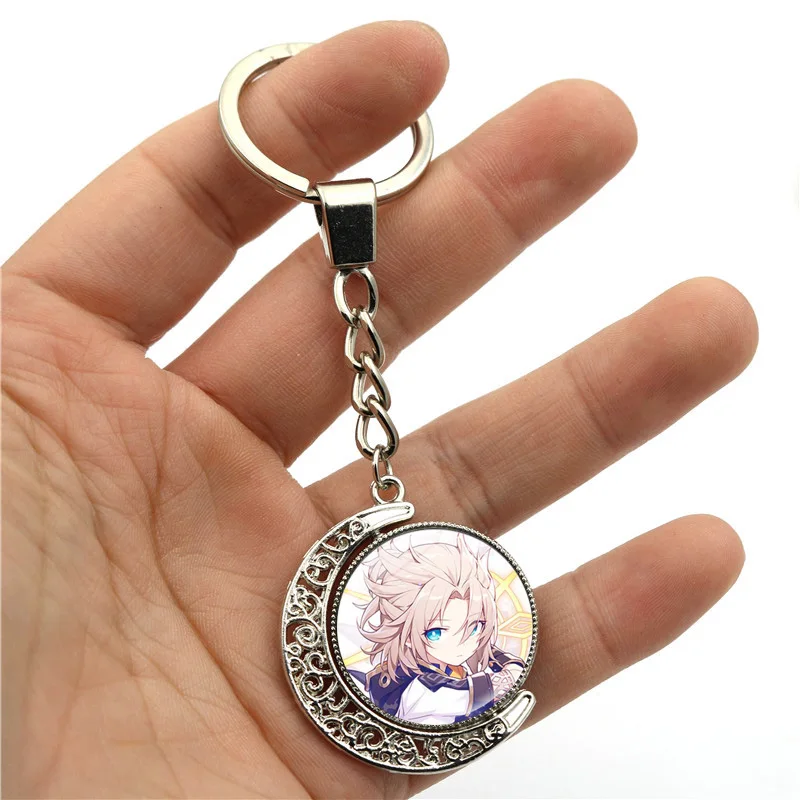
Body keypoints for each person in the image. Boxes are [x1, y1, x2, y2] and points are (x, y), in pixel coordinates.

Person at [1, 19, 757, 800]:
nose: (464, 639)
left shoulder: (470, 682)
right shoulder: (405, 684)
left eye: (470, 623)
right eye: (443, 626)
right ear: (395, 630)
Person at [349, 534, 526, 724]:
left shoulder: (445, 665)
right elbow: (494, 687)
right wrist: (510, 669)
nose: (460, 644)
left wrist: (489, 651)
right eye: (436, 633)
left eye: (474, 627)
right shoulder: (423, 689)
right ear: (407, 636)